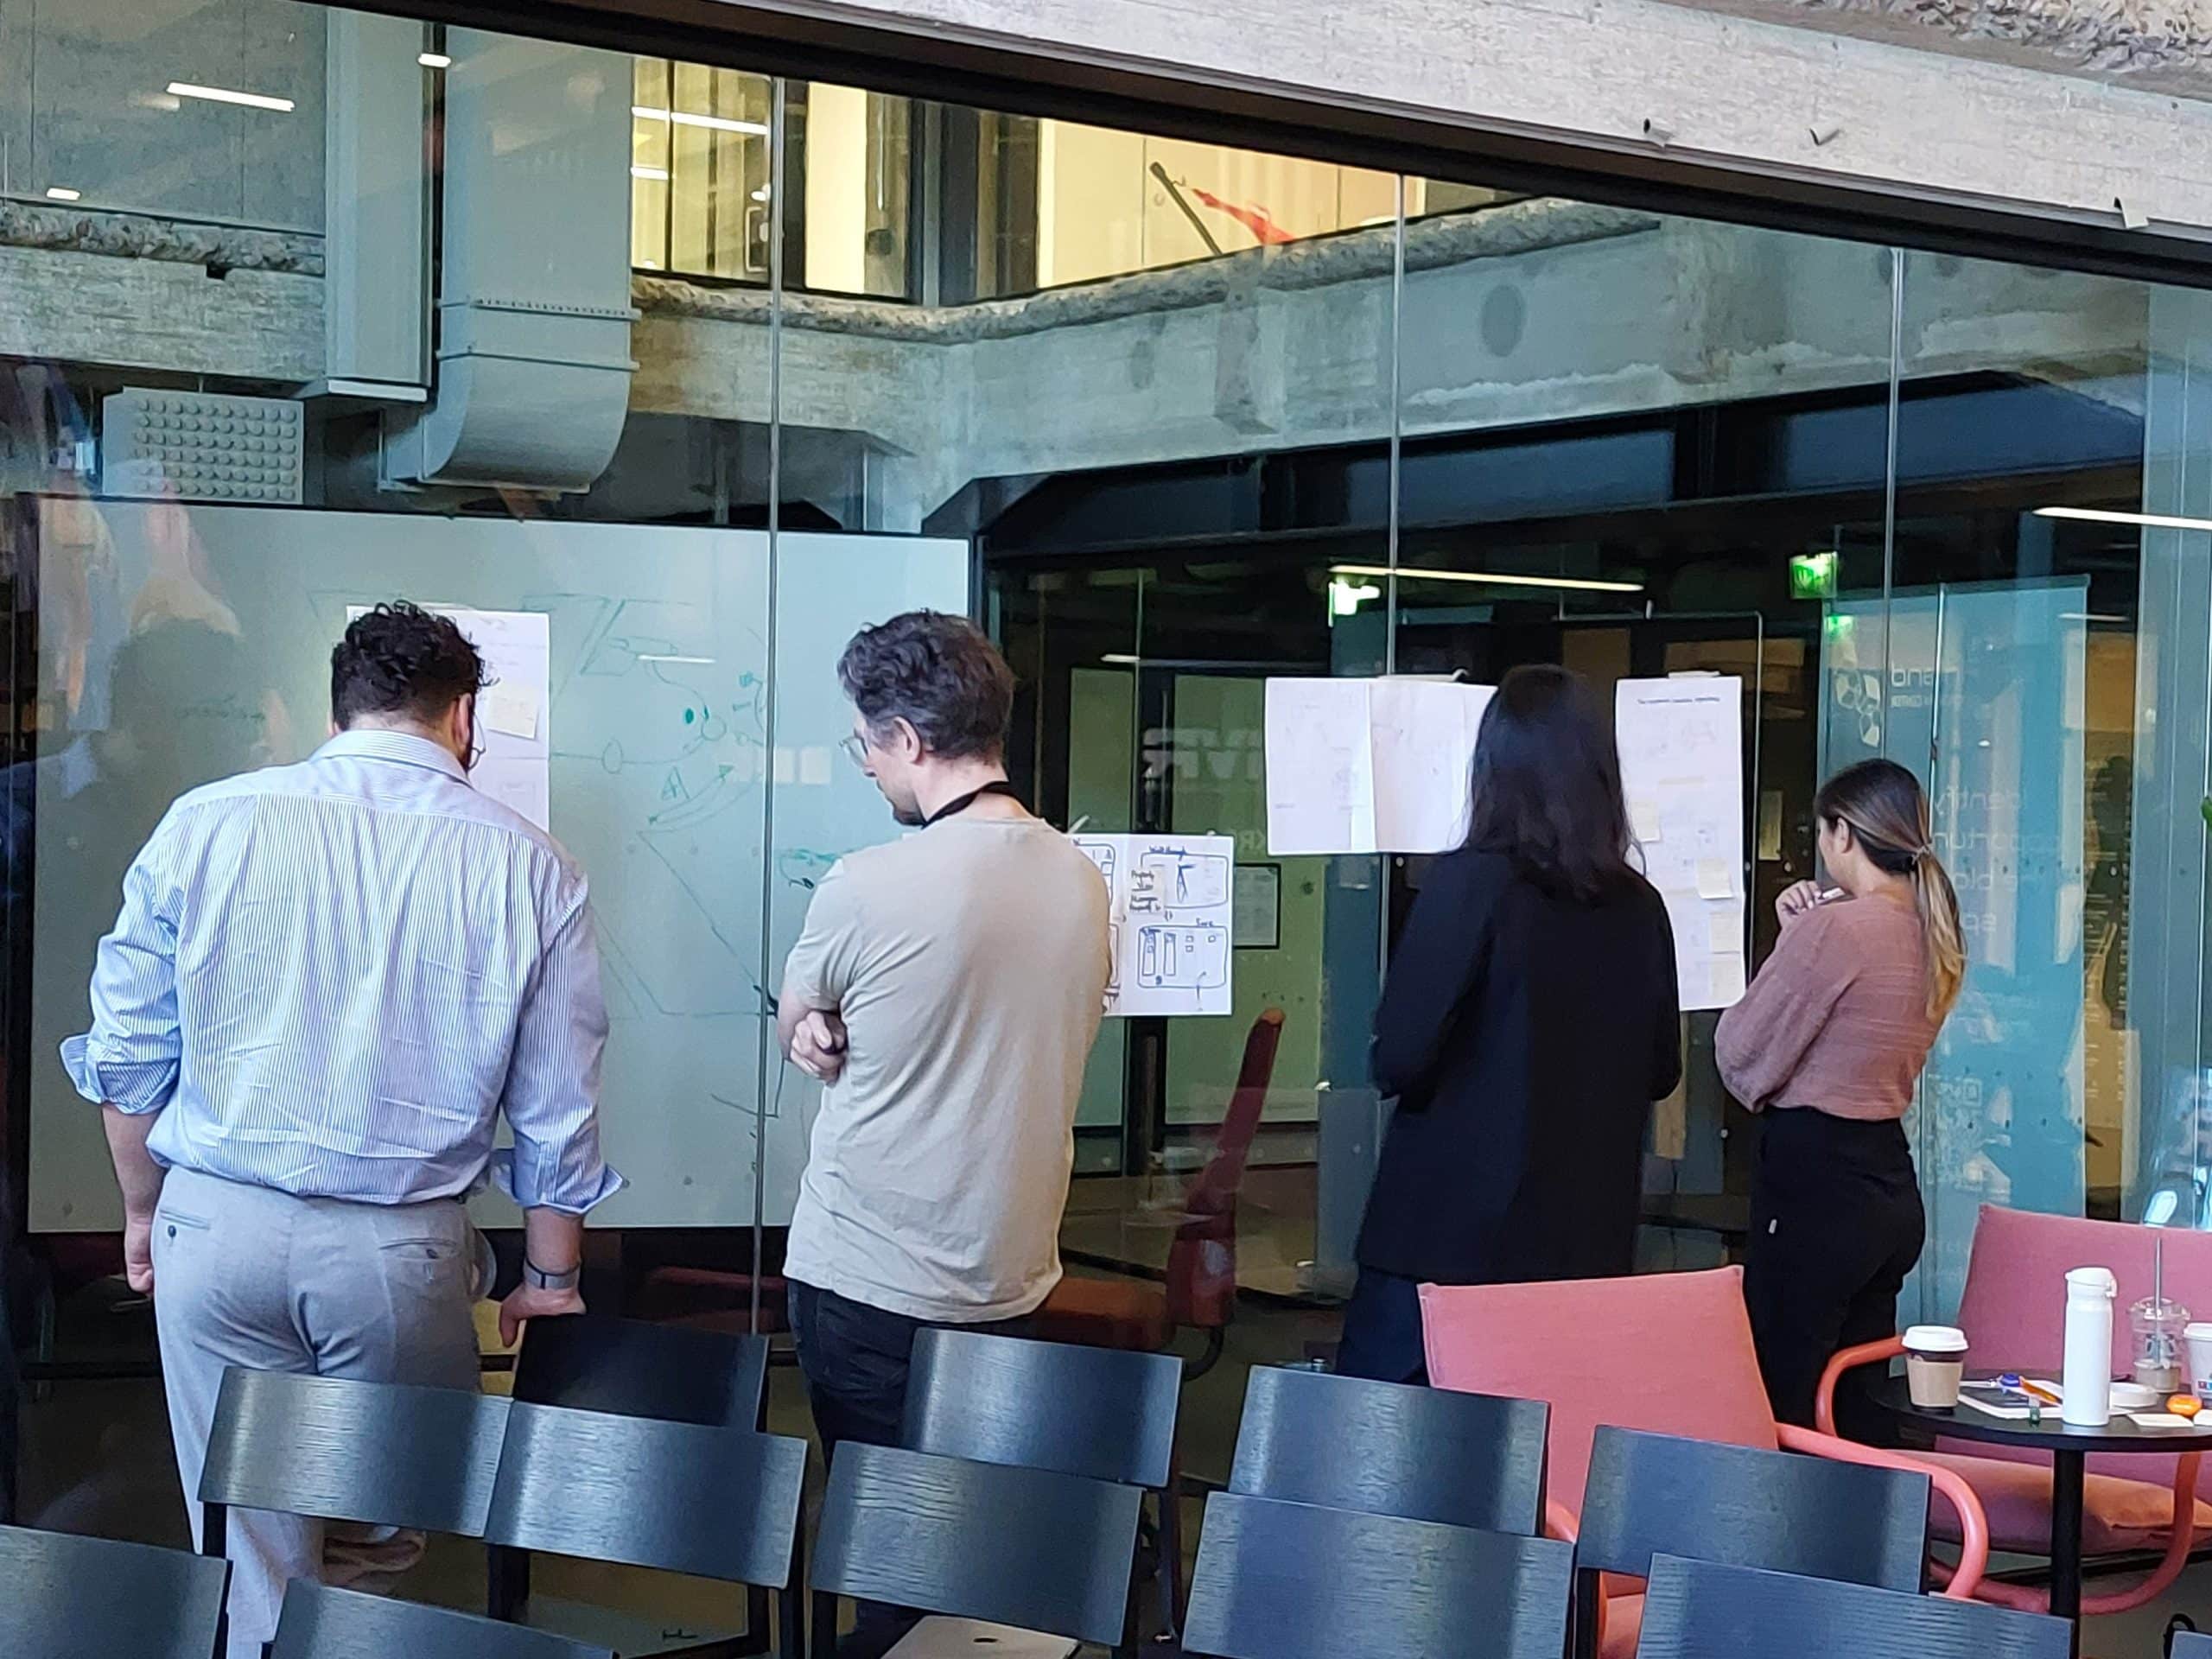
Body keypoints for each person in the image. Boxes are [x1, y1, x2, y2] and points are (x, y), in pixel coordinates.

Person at [63, 602, 620, 1658]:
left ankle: (283, 1625)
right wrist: (550, 1278)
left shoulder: (207, 821)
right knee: (391, 1514)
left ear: (337, 711)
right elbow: (558, 1103)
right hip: (395, 1250)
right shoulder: (531, 863)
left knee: (248, 1541)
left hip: (213, 1226)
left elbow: (129, 1053)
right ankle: (324, 1616)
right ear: (464, 718)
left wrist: (142, 1212)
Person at [776, 611, 1109, 1647]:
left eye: (867, 745)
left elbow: (798, 1015)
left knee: (890, 1555)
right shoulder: (1080, 877)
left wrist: (811, 1027)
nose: (869, 768)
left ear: (910, 740)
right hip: (1008, 1273)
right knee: (972, 1546)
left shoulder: (868, 882)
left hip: (867, 1274)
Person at [1336, 664, 1683, 1384]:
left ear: (1492, 769)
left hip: (1447, 1246)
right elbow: (1661, 1070)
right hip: (1583, 1248)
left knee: (1385, 1443)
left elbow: (1399, 1056)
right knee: (1541, 1446)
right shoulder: (1640, 907)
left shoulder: (1471, 883)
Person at [1717, 758, 1964, 1432]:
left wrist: (1794, 943)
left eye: (1823, 832)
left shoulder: (1836, 930)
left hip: (1815, 1183)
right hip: (1886, 1180)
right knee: (1857, 1401)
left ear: (1844, 833)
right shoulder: (1933, 931)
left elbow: (1741, 1054)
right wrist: (1799, 939)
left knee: (1784, 1397)